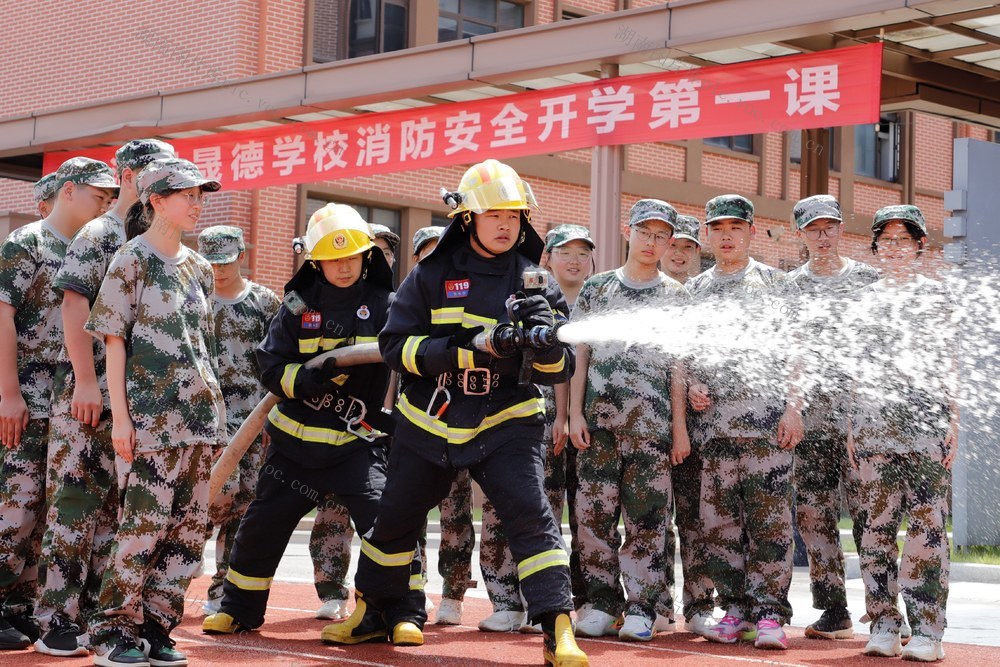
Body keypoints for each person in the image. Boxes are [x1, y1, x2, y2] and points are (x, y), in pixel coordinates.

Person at [325, 159, 587, 667]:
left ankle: (558, 627)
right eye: (494, 215)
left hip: (505, 419)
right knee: (393, 519)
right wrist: (470, 347)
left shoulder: (537, 279)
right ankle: (375, 610)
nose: (507, 224)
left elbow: (560, 367)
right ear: (468, 219)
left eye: (514, 214)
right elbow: (395, 347)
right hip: (430, 418)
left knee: (533, 517)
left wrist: (544, 339)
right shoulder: (431, 274)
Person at [202, 204, 400, 638]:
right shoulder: (295, 305)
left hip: (355, 444)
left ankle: (399, 612)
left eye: (351, 257)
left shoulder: (385, 305)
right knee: (261, 528)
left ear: (366, 256)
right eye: (333, 257)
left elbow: (406, 361)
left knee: (384, 522)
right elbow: (271, 366)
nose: (344, 266)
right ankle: (239, 610)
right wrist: (307, 378)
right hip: (294, 447)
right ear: (316, 261)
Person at [35, 140, 176, 658]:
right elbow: (74, 306)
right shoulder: (103, 232)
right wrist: (86, 382)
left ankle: (103, 617)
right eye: (153, 170)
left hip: (137, 399)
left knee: (120, 512)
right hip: (87, 393)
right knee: (74, 501)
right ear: (129, 174)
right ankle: (56, 620)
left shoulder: (156, 237)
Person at [85, 157, 223, 667]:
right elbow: (113, 342)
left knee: (187, 532)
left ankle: (156, 626)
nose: (196, 203)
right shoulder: (131, 259)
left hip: (200, 420)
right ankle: (111, 631)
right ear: (156, 201)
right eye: (186, 194)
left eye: (199, 195)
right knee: (141, 528)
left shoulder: (201, 267)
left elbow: (202, 346)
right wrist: (120, 419)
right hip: (150, 421)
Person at [0, 158, 118, 652]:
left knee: (55, 511)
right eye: (98, 195)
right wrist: (8, 393)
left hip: (71, 402)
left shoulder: (96, 249)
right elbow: (2, 316)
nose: (105, 205)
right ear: (68, 191)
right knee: (17, 505)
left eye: (111, 198)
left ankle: (20, 608)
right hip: (28, 398)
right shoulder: (27, 243)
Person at [686, 194, 803, 651]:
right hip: (714, 431)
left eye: (736, 227)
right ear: (708, 236)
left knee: (770, 524)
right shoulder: (696, 290)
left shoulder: (777, 284)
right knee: (720, 524)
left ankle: (771, 613)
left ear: (753, 232)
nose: (727, 235)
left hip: (767, 430)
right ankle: (735, 609)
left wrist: (795, 407)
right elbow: (687, 353)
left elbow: (798, 351)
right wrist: (695, 383)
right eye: (718, 228)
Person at [566, 200, 687, 642]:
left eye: (661, 236)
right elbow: (579, 352)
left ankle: (641, 606)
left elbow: (678, 366)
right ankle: (600, 603)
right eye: (645, 232)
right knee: (592, 516)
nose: (652, 242)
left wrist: (678, 427)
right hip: (597, 427)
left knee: (648, 521)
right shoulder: (598, 288)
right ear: (627, 231)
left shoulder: (676, 295)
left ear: (669, 242)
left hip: (651, 431)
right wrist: (574, 413)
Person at [850, 204, 956, 663]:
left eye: (904, 239)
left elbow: (951, 363)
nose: (894, 247)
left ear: (919, 246)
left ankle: (928, 629)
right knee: (874, 530)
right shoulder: (862, 302)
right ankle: (884, 624)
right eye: (886, 240)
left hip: (926, 429)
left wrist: (954, 420)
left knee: (927, 529)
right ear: (876, 248)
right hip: (874, 430)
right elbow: (852, 369)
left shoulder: (937, 299)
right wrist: (853, 424)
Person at [478, 223, 595, 634]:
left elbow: (566, 370)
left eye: (583, 252)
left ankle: (554, 603)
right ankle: (505, 599)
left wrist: (563, 417)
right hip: (513, 418)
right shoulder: (523, 293)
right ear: (547, 257)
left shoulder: (595, 299)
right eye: (565, 252)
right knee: (503, 506)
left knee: (558, 513)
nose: (575, 260)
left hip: (564, 423)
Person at [785, 194, 880, 642]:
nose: (822, 238)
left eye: (829, 228)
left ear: (842, 229)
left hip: (862, 424)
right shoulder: (791, 287)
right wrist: (793, 410)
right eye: (812, 230)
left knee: (871, 515)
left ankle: (883, 609)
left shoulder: (868, 280)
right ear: (799, 234)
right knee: (815, 517)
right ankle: (834, 609)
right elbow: (786, 355)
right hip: (811, 423)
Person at [308, 221, 400, 622]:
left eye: (378, 252)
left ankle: (399, 591)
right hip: (341, 424)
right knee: (332, 511)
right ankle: (331, 589)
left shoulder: (397, 303)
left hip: (396, 427)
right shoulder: (327, 303)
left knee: (395, 511)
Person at [199, 226, 280, 615]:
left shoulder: (265, 302)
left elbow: (279, 361)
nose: (218, 269)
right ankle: (172, 576)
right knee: (207, 499)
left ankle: (222, 587)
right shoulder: (194, 298)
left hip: (255, 418)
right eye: (211, 261)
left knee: (246, 505)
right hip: (206, 418)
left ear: (241, 256)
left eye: (225, 261)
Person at [659, 214, 719, 636]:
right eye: (672, 245)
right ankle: (656, 604)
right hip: (648, 428)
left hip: (700, 430)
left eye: (687, 247)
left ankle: (700, 605)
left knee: (698, 521)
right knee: (652, 519)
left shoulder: (708, 296)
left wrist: (700, 383)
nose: (678, 254)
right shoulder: (649, 294)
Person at [661, 215, 702, 285]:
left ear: (697, 251)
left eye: (688, 246)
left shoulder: (701, 291)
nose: (679, 253)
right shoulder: (642, 286)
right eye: (672, 245)